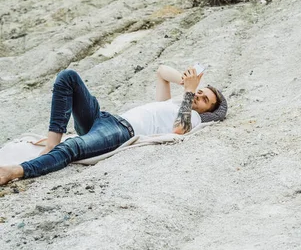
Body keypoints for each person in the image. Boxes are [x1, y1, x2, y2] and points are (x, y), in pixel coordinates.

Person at [0, 65, 228, 185]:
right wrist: (185, 81)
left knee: (72, 148)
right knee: (68, 77)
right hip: (105, 119)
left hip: (120, 131)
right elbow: (161, 71)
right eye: (200, 92)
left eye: (204, 99)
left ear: (209, 111)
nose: (198, 96)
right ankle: (50, 145)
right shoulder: (173, 104)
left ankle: (16, 170)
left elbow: (179, 130)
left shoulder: (194, 118)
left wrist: (189, 91)